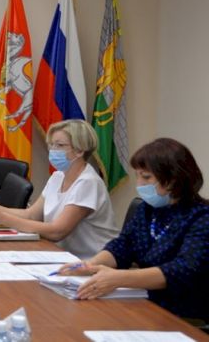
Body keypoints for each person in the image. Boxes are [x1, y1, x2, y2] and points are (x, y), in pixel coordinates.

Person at [58, 138, 209, 323]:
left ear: (173, 180)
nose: (139, 184)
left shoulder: (202, 217)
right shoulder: (147, 209)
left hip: (183, 313)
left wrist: (119, 278)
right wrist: (91, 265)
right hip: (142, 300)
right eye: (137, 176)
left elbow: (183, 270)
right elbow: (123, 245)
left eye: (146, 177)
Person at [0, 119, 118, 259]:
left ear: (80, 150)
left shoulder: (88, 182)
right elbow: (31, 215)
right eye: (51, 145)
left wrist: (2, 218)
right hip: (58, 254)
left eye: (59, 145)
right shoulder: (57, 176)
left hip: (91, 262)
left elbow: (57, 232)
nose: (53, 150)